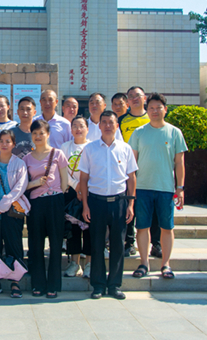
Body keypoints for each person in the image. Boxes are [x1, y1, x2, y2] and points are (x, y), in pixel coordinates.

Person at [79, 111, 138, 300]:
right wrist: (85, 205)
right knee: (96, 245)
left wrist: (130, 204)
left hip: (119, 202)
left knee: (118, 245)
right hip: (96, 202)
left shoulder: (125, 148)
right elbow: (83, 178)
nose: (107, 126)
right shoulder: (90, 149)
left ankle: (114, 285)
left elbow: (131, 177)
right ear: (99, 126)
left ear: (116, 125)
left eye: (111, 122)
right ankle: (98, 285)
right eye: (103, 122)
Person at [130, 93, 187, 280]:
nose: (155, 111)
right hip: (142, 188)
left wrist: (180, 188)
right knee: (142, 227)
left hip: (166, 188)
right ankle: (143, 263)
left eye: (158, 108)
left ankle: (166, 264)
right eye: (151, 108)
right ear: (147, 110)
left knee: (167, 227)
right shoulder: (139, 133)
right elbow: (132, 163)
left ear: (165, 109)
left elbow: (179, 163)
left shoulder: (174, 132)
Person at [0, 130, 30, 298]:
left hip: (11, 212)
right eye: (1, 141)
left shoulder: (19, 164)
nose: (4, 144)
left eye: (8, 141)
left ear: (13, 144)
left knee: (13, 245)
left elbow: (20, 187)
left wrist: (4, 204)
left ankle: (15, 281)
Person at [23, 119, 68, 298]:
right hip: (36, 204)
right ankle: (38, 283)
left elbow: (64, 182)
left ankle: (53, 285)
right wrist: (35, 183)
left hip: (55, 201)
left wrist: (58, 196)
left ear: (48, 134)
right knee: (36, 244)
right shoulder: (26, 158)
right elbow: (22, 186)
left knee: (56, 244)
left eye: (41, 133)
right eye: (35, 133)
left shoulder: (58, 154)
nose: (38, 136)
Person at [119, 86, 160, 258]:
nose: (134, 98)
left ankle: (156, 243)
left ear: (144, 98)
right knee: (130, 206)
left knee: (153, 208)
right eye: (131, 96)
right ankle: (129, 243)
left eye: (137, 95)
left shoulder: (152, 118)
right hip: (127, 172)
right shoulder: (121, 120)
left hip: (150, 171)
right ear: (127, 101)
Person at [60, 116, 91, 279]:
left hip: (89, 191)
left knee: (89, 227)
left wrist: (84, 187)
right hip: (71, 191)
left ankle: (89, 263)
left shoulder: (93, 146)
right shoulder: (65, 147)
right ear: (71, 130)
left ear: (87, 129)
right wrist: (75, 185)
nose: (78, 129)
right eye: (75, 126)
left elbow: (95, 169)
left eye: (81, 126)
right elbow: (62, 169)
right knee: (73, 228)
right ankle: (74, 262)